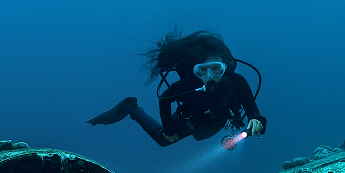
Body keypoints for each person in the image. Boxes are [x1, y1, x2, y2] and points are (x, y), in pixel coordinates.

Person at [87, 30, 266, 148]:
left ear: (225, 67)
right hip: (191, 121)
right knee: (163, 140)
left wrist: (257, 120)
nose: (210, 75)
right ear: (195, 70)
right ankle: (131, 107)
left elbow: (252, 109)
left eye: (216, 69)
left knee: (200, 136)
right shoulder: (187, 85)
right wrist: (169, 130)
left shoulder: (236, 82)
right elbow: (164, 98)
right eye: (203, 70)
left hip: (215, 123)